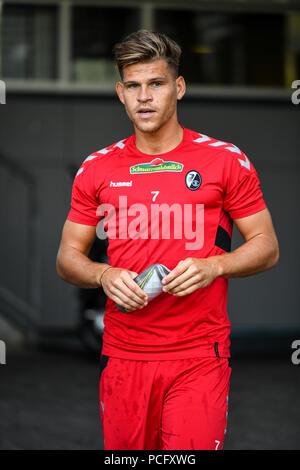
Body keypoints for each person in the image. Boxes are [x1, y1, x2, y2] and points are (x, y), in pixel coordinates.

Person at [56, 29, 279, 450]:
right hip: (123, 354)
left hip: (199, 355)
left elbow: (266, 245)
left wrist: (215, 265)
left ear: (178, 87)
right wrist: (103, 275)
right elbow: (68, 257)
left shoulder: (224, 160)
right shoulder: (96, 169)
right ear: (120, 92)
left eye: (156, 84)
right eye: (134, 86)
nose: (145, 97)